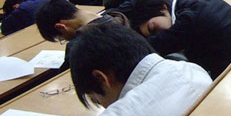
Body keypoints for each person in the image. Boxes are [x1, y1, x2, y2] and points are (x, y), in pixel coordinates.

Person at [69, 23, 212, 115]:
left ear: (101, 78)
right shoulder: (192, 70)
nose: (105, 106)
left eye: (98, 101)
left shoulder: (121, 112)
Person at [129, 0, 231, 79]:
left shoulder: (188, 20)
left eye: (153, 29)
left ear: (163, 7)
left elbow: (153, 47)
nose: (158, 34)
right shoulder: (205, 1)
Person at [34, 0, 130, 69]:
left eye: (61, 38)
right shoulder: (119, 20)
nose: (66, 40)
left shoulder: (79, 45)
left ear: (61, 26)